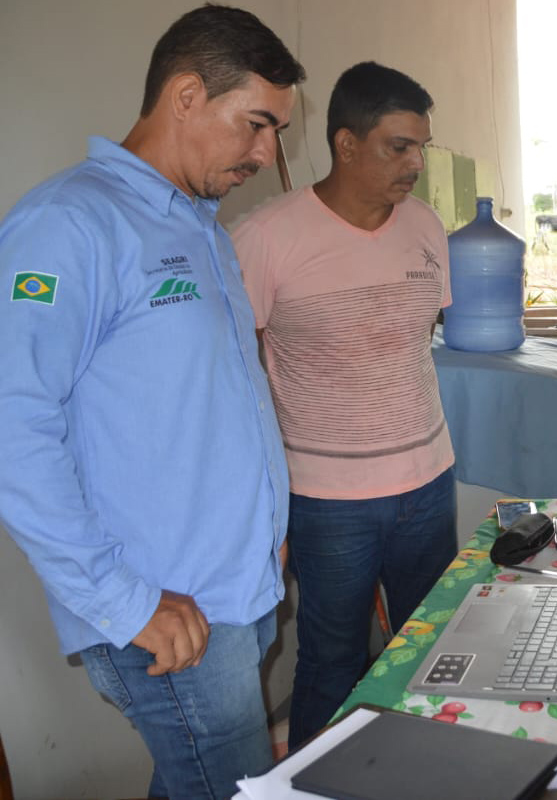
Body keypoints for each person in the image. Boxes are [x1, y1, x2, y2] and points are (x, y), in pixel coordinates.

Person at [0, 6, 303, 798]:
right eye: (258, 125)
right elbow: (12, 427)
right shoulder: (70, 224)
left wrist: (266, 532)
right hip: (170, 619)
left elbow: (207, 408)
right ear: (186, 96)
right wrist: (124, 603)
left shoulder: (198, 228)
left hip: (237, 592)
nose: (269, 154)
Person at [232, 61, 457, 750]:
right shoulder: (265, 237)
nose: (415, 163)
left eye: (421, 145)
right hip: (329, 503)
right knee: (332, 665)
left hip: (429, 482)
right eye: (399, 146)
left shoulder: (425, 226)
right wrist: (269, 510)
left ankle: (424, 774)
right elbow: (241, 379)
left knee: (432, 649)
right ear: (346, 144)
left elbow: (414, 343)